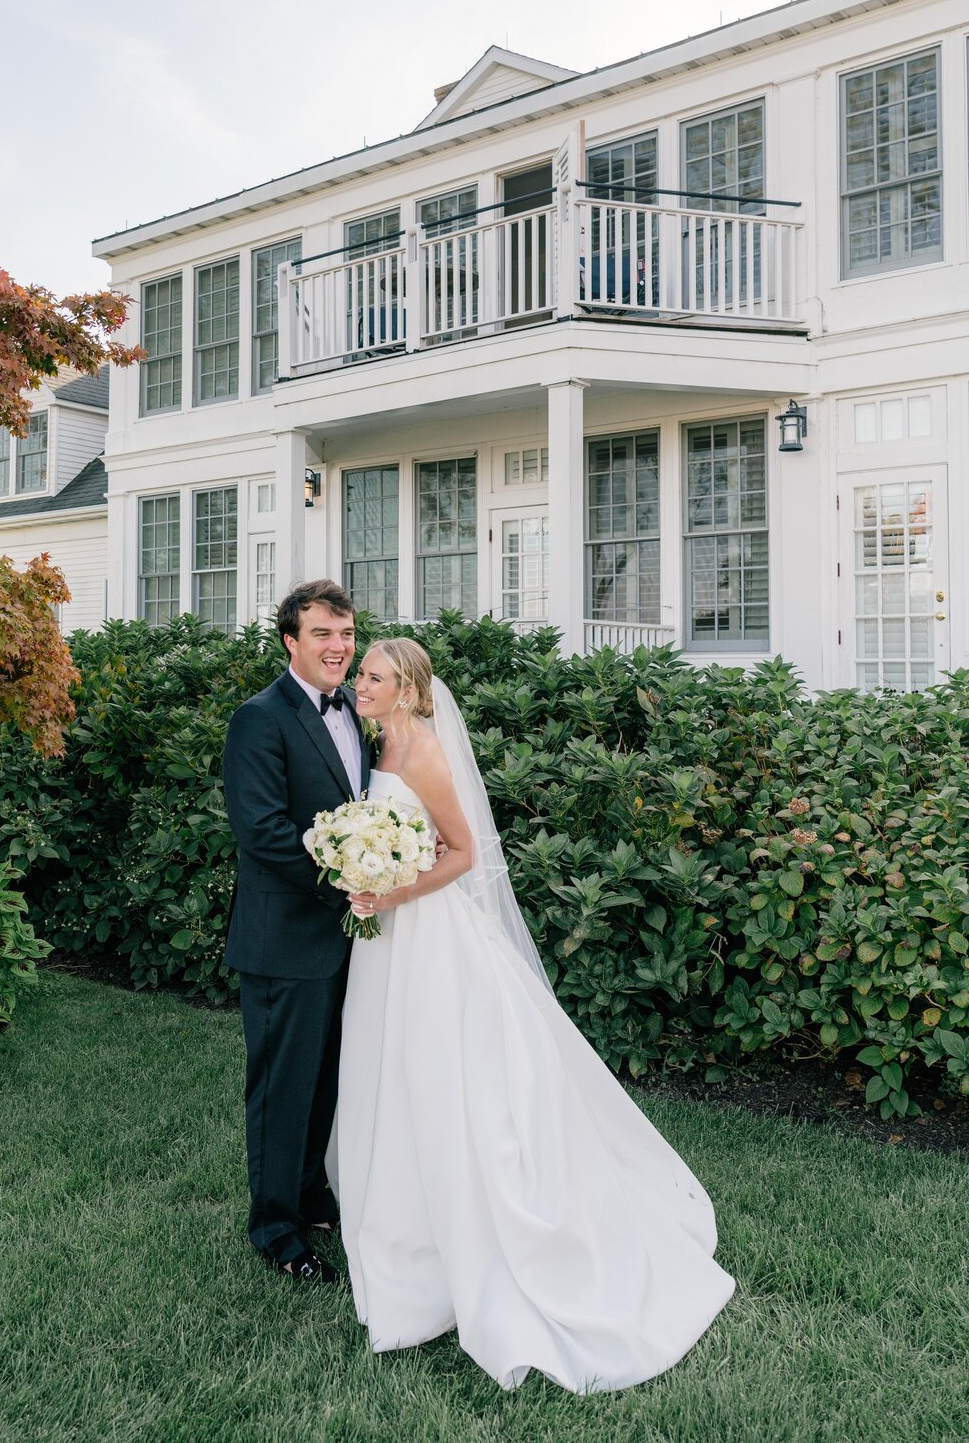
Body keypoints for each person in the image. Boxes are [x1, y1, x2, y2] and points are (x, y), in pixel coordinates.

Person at [330, 636, 736, 1393]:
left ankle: (470, 1248)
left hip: (427, 937)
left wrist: (390, 891)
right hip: (384, 938)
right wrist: (363, 870)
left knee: (443, 1078)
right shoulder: (375, 745)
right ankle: (398, 1240)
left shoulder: (420, 754)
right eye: (362, 675)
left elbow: (460, 853)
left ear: (410, 692)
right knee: (386, 1071)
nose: (361, 684)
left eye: (375, 676)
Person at [222, 579, 372, 1284]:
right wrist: (345, 880)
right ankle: (276, 1227)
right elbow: (263, 832)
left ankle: (313, 1197)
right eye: (322, 634)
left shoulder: (357, 713)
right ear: (291, 640)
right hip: (285, 937)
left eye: (345, 634)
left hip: (348, 940)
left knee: (326, 1080)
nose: (338, 647)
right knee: (283, 1086)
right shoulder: (259, 718)